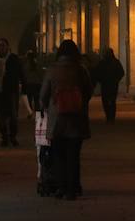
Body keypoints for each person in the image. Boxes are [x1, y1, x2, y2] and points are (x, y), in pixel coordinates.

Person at [39, 39, 93, 200]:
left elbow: (43, 95)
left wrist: (46, 107)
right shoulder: (81, 70)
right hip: (77, 118)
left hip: (57, 120)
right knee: (74, 155)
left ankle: (61, 187)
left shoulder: (52, 70)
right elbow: (89, 91)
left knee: (59, 155)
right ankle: (73, 187)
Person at [0, 38, 24, 146]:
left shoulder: (13, 58)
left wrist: (22, 86)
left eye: (3, 45)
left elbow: (20, 72)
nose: (1, 48)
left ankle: (12, 136)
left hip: (11, 90)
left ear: (7, 46)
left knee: (13, 115)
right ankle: (4, 136)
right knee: (0, 116)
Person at [94, 48, 125, 123]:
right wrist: (116, 79)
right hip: (112, 84)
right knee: (111, 100)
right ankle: (111, 116)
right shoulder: (115, 62)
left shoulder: (103, 62)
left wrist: (100, 80)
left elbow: (97, 72)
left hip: (106, 84)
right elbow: (121, 72)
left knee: (106, 100)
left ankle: (109, 116)